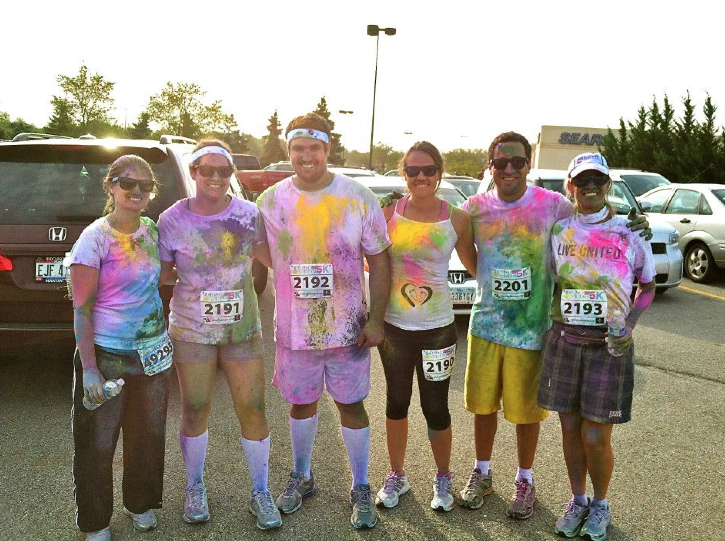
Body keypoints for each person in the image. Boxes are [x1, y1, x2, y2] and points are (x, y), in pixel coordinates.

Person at [458, 132, 650, 520]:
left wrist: (636, 223)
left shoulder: (554, 205)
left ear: (528, 164)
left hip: (533, 328)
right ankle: (482, 472)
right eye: (501, 163)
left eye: (517, 162)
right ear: (490, 167)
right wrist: (484, 278)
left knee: (527, 413)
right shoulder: (473, 207)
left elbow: (594, 215)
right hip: (486, 324)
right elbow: (457, 238)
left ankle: (525, 480)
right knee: (483, 407)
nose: (509, 169)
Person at [256, 113, 391, 529]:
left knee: (351, 404)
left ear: (328, 149)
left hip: (348, 329)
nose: (306, 156)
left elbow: (380, 260)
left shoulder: (357, 197)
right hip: (295, 331)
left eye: (314, 148)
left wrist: (377, 319)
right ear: (288, 151)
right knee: (301, 402)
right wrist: (286, 266)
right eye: (298, 148)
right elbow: (260, 251)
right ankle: (302, 475)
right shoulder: (271, 201)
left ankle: (361, 484)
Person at [157, 140, 281, 530]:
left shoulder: (248, 214)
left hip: (242, 331)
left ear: (232, 174)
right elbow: (159, 276)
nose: (215, 177)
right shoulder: (171, 220)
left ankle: (260, 491)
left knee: (254, 408)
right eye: (206, 170)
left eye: (223, 171)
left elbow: (273, 258)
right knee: (195, 408)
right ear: (193, 171)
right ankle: (195, 487)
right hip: (192, 330)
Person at [538, 152, 655, 540]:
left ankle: (601, 504)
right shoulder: (560, 231)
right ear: (570, 186)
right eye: (581, 180)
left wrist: (629, 326)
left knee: (595, 436)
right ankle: (578, 500)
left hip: (609, 345)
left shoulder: (630, 230)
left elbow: (647, 286)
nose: (589, 187)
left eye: (597, 180)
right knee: (570, 429)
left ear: (608, 184)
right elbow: (553, 283)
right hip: (565, 340)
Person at [70, 155, 172, 541]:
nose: (137, 191)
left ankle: (139, 503)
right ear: (111, 186)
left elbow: (160, 278)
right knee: (97, 444)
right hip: (107, 354)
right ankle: (96, 521)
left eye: (145, 186)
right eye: (127, 183)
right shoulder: (94, 239)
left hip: (153, 355)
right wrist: (90, 368)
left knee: (148, 436)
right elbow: (82, 309)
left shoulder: (151, 230)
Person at [374, 142, 476, 511]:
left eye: (429, 170)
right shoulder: (389, 212)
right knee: (396, 402)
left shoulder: (458, 219)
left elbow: (477, 266)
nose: (421, 177)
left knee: (435, 408)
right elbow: (371, 262)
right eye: (413, 170)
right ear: (403, 173)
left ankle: (443, 476)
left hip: (438, 330)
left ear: (439, 173)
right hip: (395, 328)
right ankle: (397, 475)